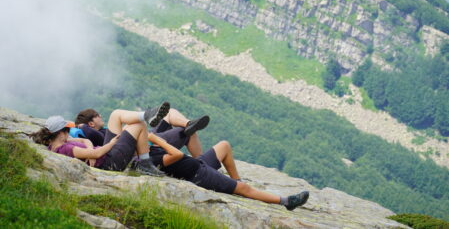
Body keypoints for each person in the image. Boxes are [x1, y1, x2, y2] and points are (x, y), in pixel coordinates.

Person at [150, 138, 310, 210]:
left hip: (199, 164)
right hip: (199, 175)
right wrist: (156, 139)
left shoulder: (149, 148)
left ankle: (236, 183)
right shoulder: (150, 157)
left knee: (224, 146)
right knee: (245, 188)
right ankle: (286, 202)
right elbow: (176, 155)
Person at [30, 103, 175, 176]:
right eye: (67, 130)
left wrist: (87, 149)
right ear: (61, 132)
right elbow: (96, 155)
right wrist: (110, 144)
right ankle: (144, 163)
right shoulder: (65, 148)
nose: (69, 133)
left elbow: (84, 142)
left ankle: (148, 114)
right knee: (139, 125)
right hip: (110, 162)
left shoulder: (60, 143)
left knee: (116, 114)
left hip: (107, 156)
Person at [73, 107, 209, 157]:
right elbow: (89, 133)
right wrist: (81, 126)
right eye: (97, 115)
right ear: (90, 123)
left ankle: (189, 123)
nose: (100, 116)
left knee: (170, 112)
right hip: (147, 142)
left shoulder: (102, 131)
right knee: (186, 133)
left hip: (146, 134)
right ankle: (202, 162)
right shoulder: (97, 136)